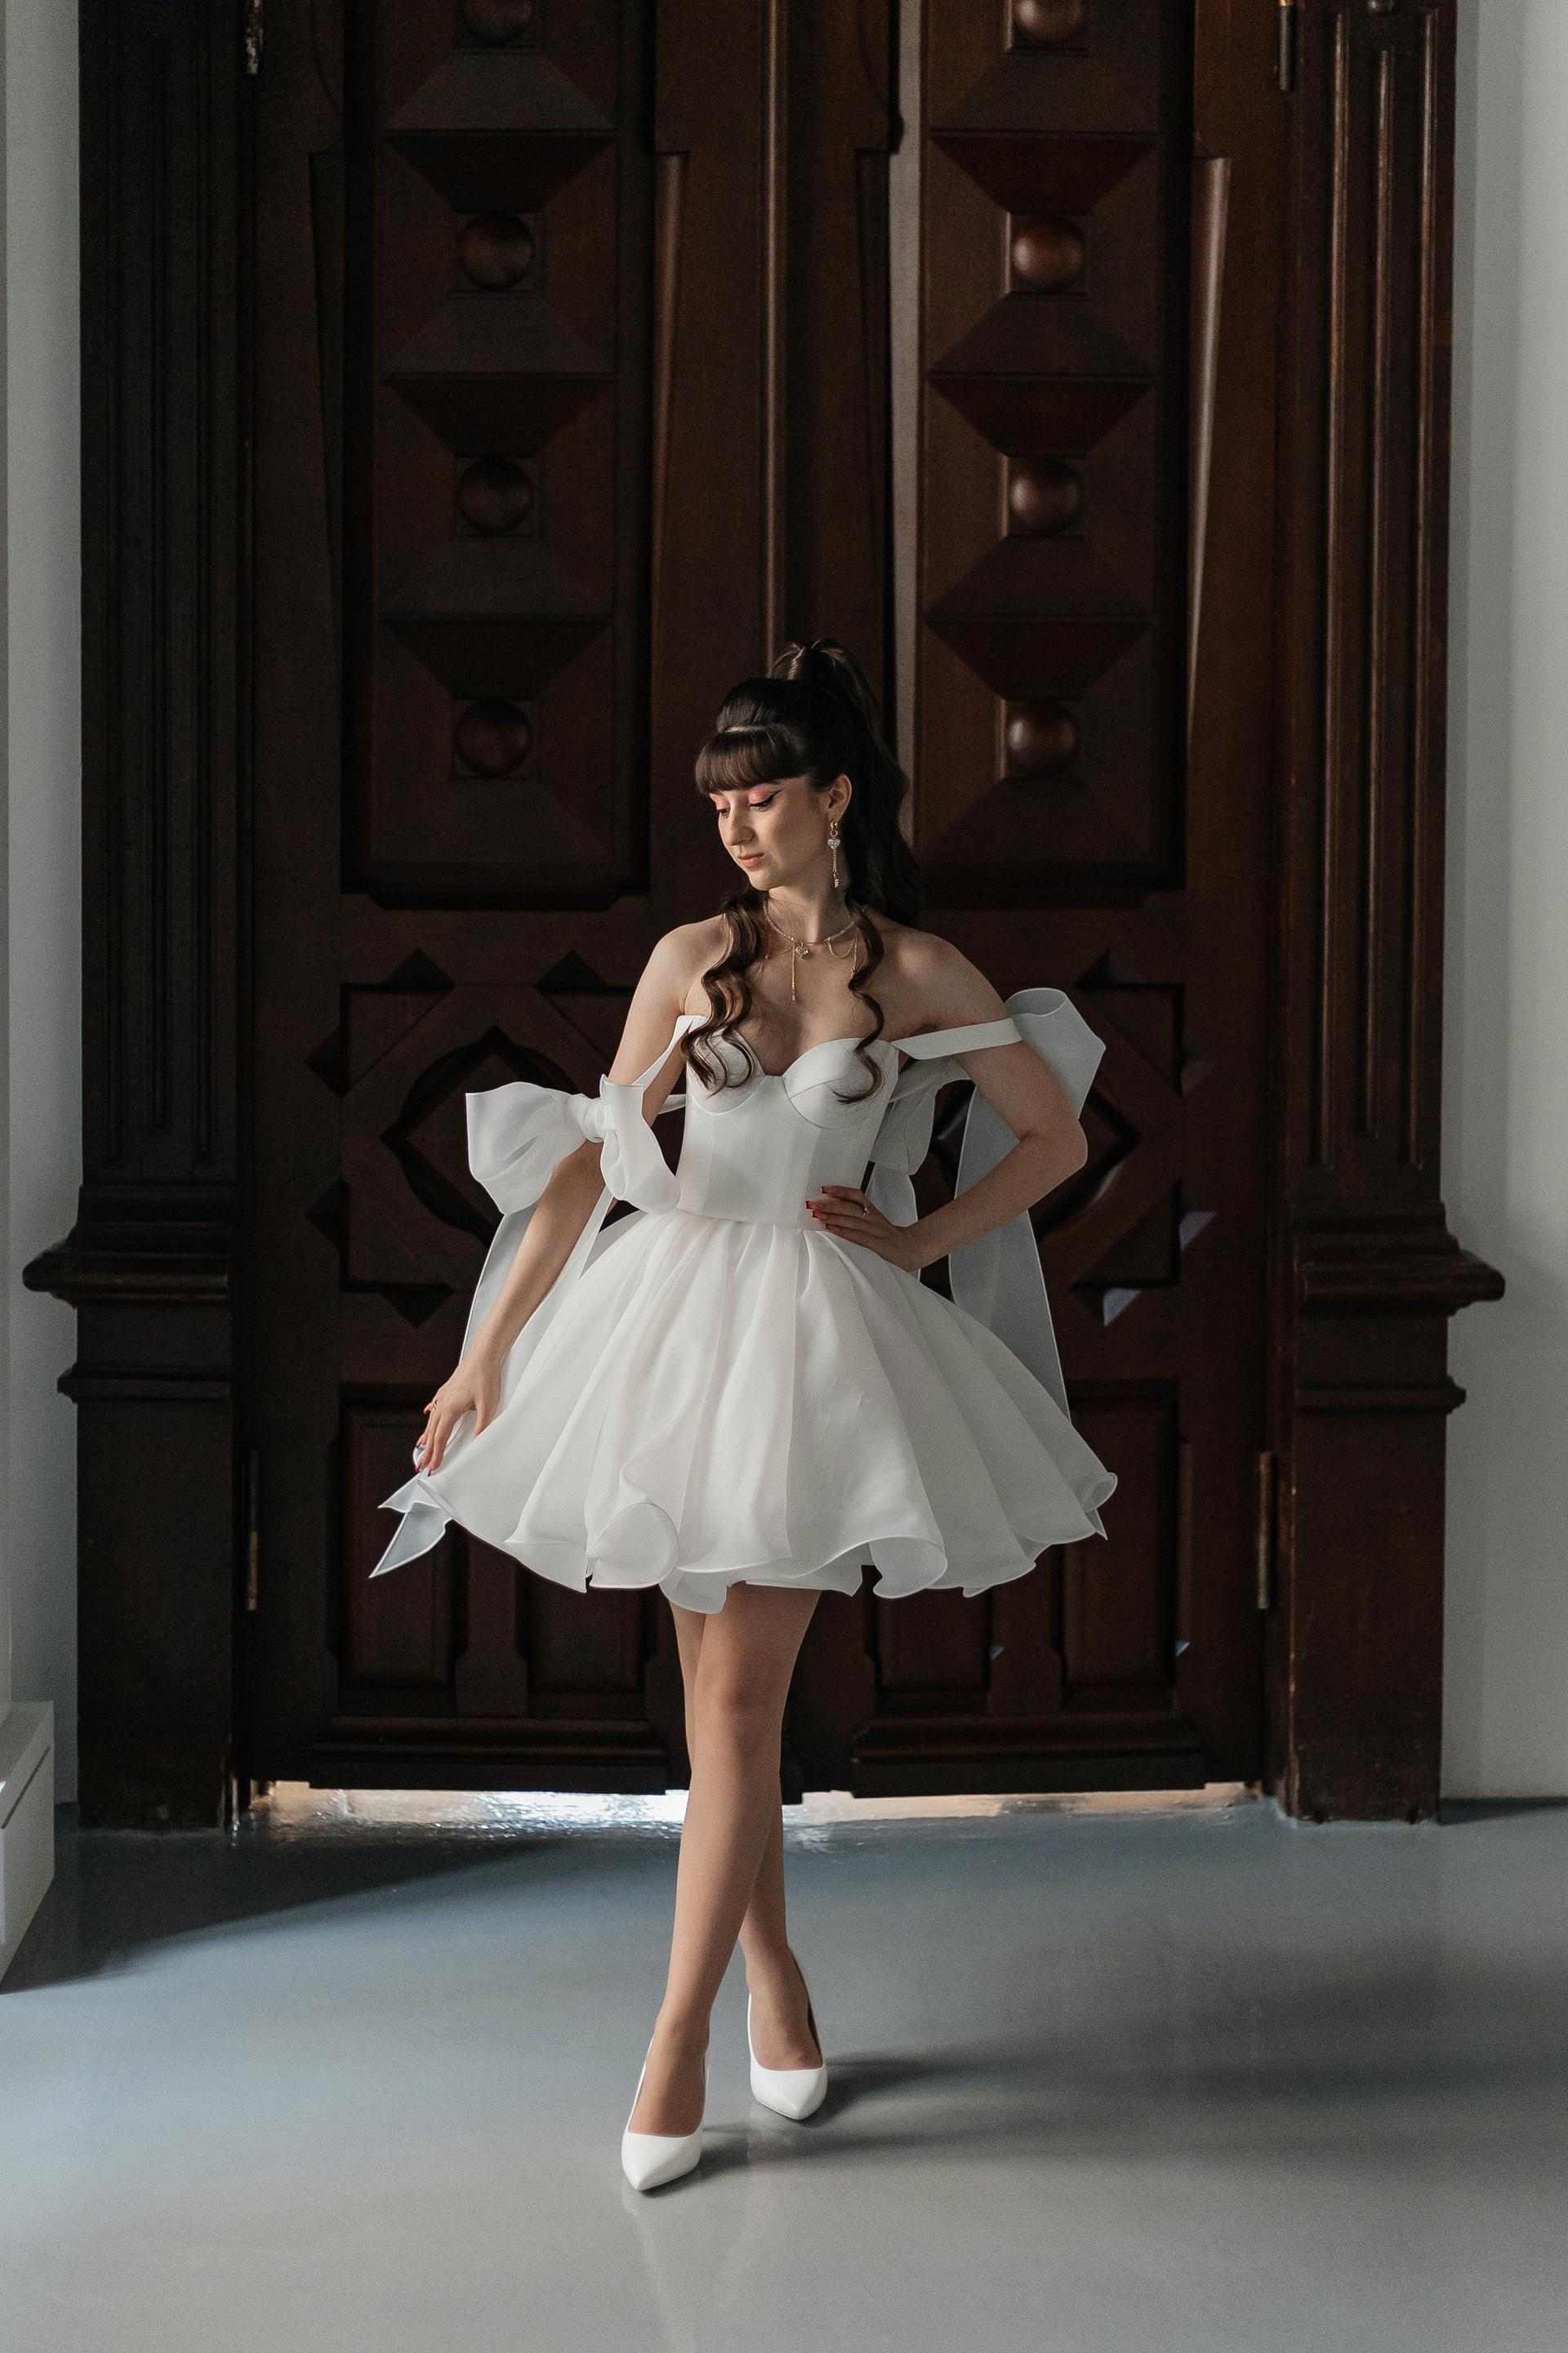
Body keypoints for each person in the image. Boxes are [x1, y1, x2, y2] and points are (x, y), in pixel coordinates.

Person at [372, 639, 1116, 2190]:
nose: (736, 829)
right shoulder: (687, 956)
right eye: (720, 805)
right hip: (668, 1328)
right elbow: (591, 1160)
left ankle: (674, 2044)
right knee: (725, 1710)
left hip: (817, 1349)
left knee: (734, 1710)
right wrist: (484, 1353)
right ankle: (776, 1981)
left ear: (834, 799)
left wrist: (921, 1238)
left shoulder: (916, 972)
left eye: (761, 799)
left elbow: (1054, 1137)